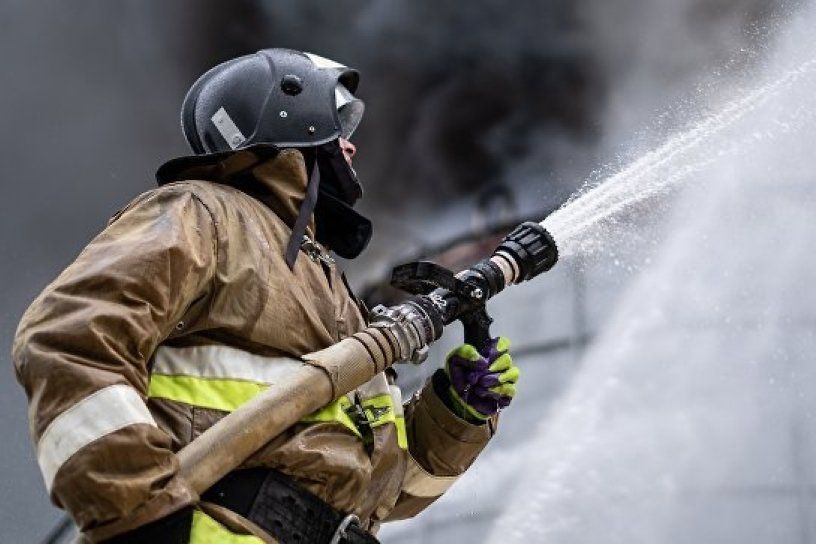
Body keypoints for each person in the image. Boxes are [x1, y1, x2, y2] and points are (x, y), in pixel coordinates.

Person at [13, 48, 520, 544]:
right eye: (340, 125)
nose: (352, 146)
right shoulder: (203, 212)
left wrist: (456, 415)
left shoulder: (330, 287)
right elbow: (68, 339)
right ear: (293, 115)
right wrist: (139, 514)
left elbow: (379, 489)